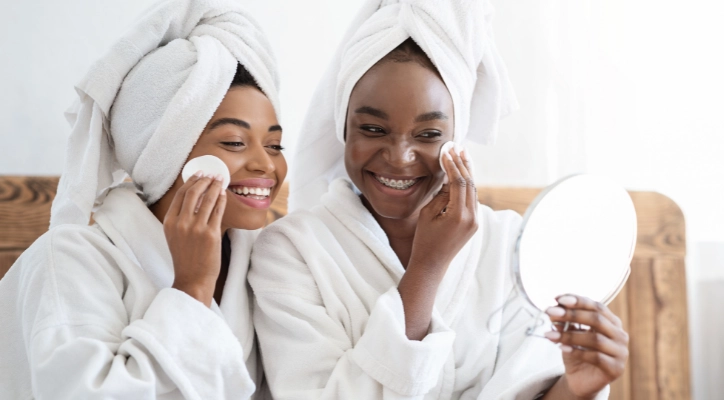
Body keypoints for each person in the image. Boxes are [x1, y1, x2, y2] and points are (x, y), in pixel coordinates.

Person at [249, 1, 628, 399]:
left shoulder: (510, 248)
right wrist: (427, 267)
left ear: (457, 135)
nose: (399, 157)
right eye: (373, 129)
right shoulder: (291, 251)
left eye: (428, 135)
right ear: (344, 126)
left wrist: (576, 387)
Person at [0, 0, 285, 398]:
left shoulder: (266, 262)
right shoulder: (67, 260)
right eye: (235, 142)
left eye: (275, 144)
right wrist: (192, 288)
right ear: (164, 152)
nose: (265, 165)